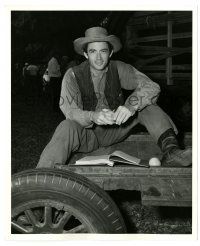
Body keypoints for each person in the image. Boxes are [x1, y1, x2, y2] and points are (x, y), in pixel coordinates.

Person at [37, 27, 192, 168]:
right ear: (85, 54)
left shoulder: (118, 68)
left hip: (115, 130)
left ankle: (171, 151)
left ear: (110, 52)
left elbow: (152, 86)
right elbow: (69, 111)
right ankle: (42, 177)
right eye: (93, 52)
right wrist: (93, 116)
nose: (98, 58)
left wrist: (130, 106)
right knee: (66, 126)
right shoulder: (72, 75)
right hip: (87, 135)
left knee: (147, 105)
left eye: (103, 51)